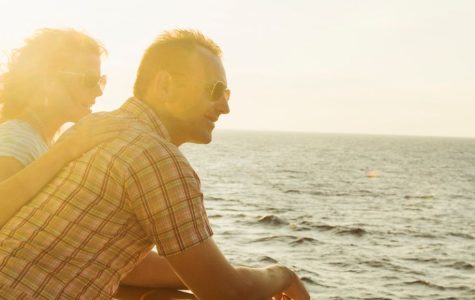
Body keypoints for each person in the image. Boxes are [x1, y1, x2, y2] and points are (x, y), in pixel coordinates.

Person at [0, 29, 310, 299]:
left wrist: (195, 273)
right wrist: (282, 275)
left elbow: (89, 256)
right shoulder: (157, 160)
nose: (225, 106)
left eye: (226, 93)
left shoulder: (97, 128)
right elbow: (224, 292)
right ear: (164, 86)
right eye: (214, 90)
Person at [0, 28, 185, 299]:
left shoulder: (39, 141)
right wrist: (210, 275)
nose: (97, 92)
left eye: (101, 80)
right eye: (88, 80)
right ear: (46, 82)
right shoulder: (18, 138)